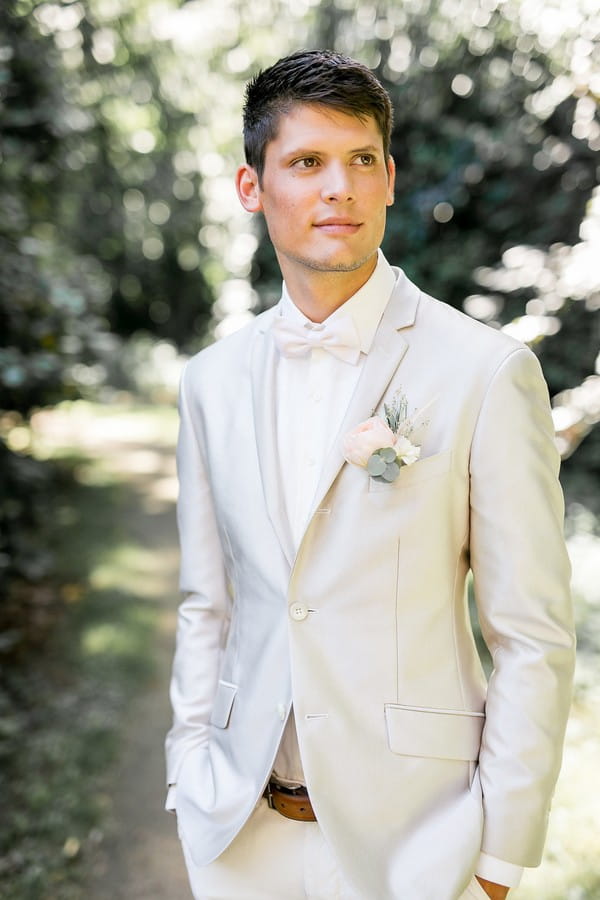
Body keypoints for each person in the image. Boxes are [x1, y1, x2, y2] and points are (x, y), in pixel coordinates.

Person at [165, 49, 575, 900]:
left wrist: (497, 861)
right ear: (254, 188)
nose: (337, 188)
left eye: (360, 162)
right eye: (306, 163)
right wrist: (188, 777)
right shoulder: (209, 383)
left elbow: (531, 637)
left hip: (419, 847)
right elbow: (210, 605)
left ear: (390, 179)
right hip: (240, 838)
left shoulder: (485, 372)